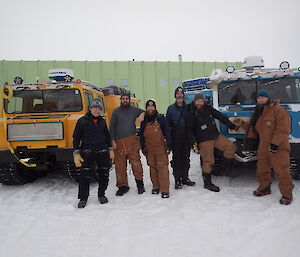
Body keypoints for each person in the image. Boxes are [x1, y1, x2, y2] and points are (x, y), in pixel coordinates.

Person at [234, 90, 294, 205]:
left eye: (263, 97)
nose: (261, 99)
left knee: (282, 171)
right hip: (263, 147)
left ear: (268, 98)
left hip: (278, 147)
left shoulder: (278, 110)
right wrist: (241, 123)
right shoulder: (258, 111)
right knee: (262, 170)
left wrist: (275, 144)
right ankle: (265, 188)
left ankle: (287, 194)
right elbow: (254, 128)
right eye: (259, 98)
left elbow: (283, 129)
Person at [187, 93, 239, 192]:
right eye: (198, 101)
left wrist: (231, 125)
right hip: (203, 139)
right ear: (194, 101)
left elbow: (220, 116)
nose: (200, 103)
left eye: (201, 101)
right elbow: (189, 130)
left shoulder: (208, 108)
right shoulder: (191, 113)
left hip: (215, 136)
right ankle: (207, 183)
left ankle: (226, 169)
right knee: (208, 161)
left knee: (231, 147)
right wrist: (193, 142)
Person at [73, 99, 114, 208]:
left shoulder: (102, 121)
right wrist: (76, 153)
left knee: (104, 174)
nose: (96, 110)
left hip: (101, 152)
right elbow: (76, 138)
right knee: (84, 176)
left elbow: (107, 136)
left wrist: (110, 149)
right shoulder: (82, 121)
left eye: (99, 108)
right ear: (90, 109)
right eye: (94, 108)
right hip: (87, 152)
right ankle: (83, 198)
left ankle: (101, 194)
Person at [110, 92, 145, 196]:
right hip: (119, 143)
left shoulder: (134, 110)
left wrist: (143, 115)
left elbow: (145, 112)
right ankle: (123, 186)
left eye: (127, 99)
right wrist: (112, 140)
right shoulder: (116, 112)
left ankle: (140, 185)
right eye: (123, 99)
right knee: (120, 167)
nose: (125, 100)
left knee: (136, 164)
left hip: (132, 142)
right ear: (120, 100)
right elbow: (111, 127)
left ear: (129, 100)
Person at [140, 100, 172, 198]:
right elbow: (141, 135)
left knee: (162, 168)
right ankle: (156, 186)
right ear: (146, 109)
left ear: (155, 108)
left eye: (152, 107)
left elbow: (167, 131)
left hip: (160, 148)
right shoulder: (144, 121)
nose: (150, 109)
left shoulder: (161, 119)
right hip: (149, 149)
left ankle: (165, 189)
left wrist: (169, 144)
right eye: (148, 107)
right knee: (152, 168)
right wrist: (143, 147)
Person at [166, 87, 195, 189]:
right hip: (176, 137)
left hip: (186, 137)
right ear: (175, 96)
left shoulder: (188, 108)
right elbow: (167, 126)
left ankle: (185, 178)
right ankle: (177, 179)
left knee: (186, 158)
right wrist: (168, 141)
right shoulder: (170, 109)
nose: (179, 96)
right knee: (176, 159)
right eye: (178, 94)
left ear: (183, 96)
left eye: (181, 94)